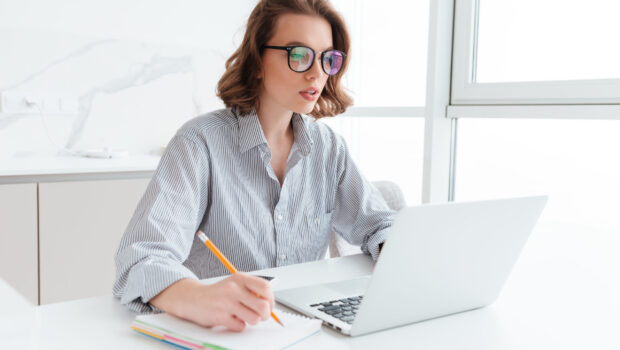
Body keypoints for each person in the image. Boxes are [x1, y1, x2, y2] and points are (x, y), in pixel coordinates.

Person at [113, 0, 394, 332]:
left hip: (304, 332)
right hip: (223, 335)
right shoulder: (198, 143)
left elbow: (379, 225)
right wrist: (196, 297)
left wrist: (401, 254)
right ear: (258, 60)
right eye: (299, 54)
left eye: (327, 58)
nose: (316, 72)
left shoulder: (329, 149)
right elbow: (140, 259)